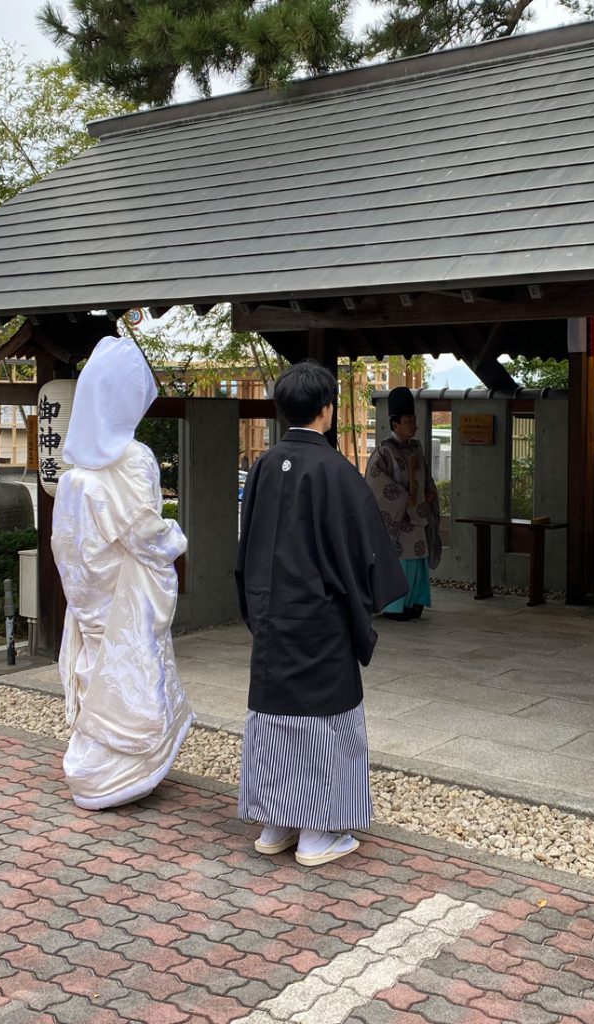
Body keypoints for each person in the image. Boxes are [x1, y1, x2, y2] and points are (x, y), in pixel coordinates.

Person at [235, 361, 407, 867]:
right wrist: (368, 597)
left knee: (274, 718)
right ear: (327, 411)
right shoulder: (335, 470)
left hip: (272, 616)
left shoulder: (265, 465)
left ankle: (275, 823)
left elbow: (249, 545)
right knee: (325, 723)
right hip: (322, 619)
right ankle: (316, 833)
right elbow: (362, 550)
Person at [51, 335, 193, 810]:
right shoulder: (132, 459)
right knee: (131, 670)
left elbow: (65, 547)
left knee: (96, 667)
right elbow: (145, 532)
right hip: (124, 595)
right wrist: (178, 542)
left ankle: (90, 764)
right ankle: (125, 772)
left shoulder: (72, 472)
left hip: (87, 597)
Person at [365, 387, 442, 621]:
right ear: (395, 423)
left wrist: (429, 492)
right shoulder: (383, 452)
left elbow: (425, 477)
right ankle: (394, 606)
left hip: (417, 516)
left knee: (417, 563)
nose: (413, 425)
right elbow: (375, 482)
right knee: (403, 563)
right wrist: (401, 497)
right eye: (408, 420)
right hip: (399, 521)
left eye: (414, 420)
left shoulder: (416, 447)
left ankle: (414, 603)